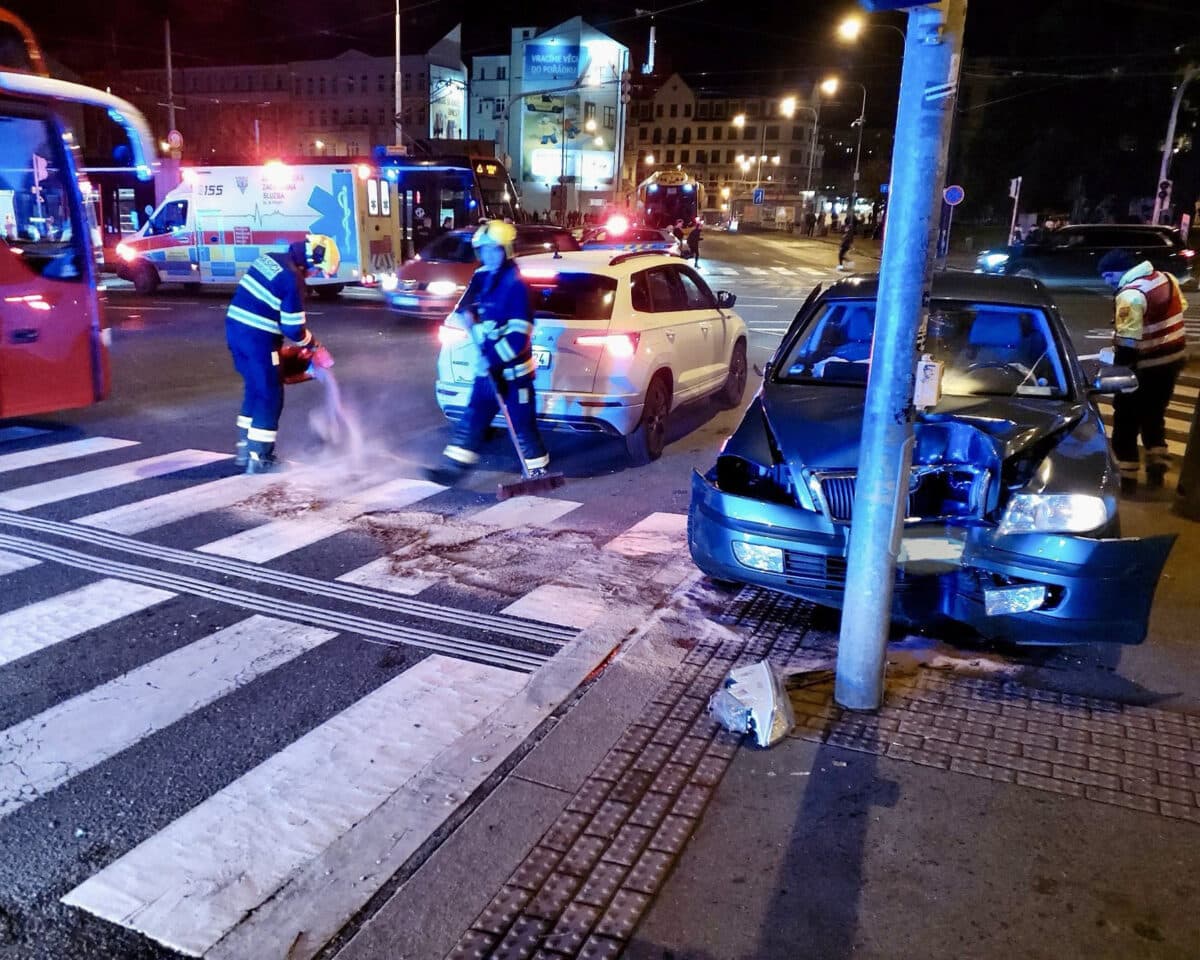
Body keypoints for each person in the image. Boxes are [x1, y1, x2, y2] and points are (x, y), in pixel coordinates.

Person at [425, 220, 549, 485]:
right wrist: (467, 313)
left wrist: (491, 361)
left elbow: (517, 338)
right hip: (488, 370)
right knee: (473, 418)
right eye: (485, 250)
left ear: (506, 250)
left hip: (514, 375)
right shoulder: (483, 276)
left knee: (521, 425)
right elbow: (466, 304)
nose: (490, 255)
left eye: (495, 250)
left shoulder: (517, 286)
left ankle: (538, 472)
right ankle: (453, 469)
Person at [226, 236, 333, 473]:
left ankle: (245, 450)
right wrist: (314, 346)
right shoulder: (292, 279)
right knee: (270, 394)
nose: (314, 274)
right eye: (317, 269)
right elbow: (293, 328)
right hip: (258, 339)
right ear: (309, 261)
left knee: (255, 389)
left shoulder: (271, 259)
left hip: (235, 331)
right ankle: (260, 457)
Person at [1097, 248, 1188, 494]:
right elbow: (1177, 310)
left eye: (1108, 276)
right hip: (1173, 361)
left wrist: (1119, 375)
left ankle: (1127, 478)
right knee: (1154, 415)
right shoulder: (1166, 279)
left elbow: (1128, 342)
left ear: (1120, 272)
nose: (1107, 282)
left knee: (1125, 420)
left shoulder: (1130, 295)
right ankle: (1157, 468)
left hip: (1144, 367)